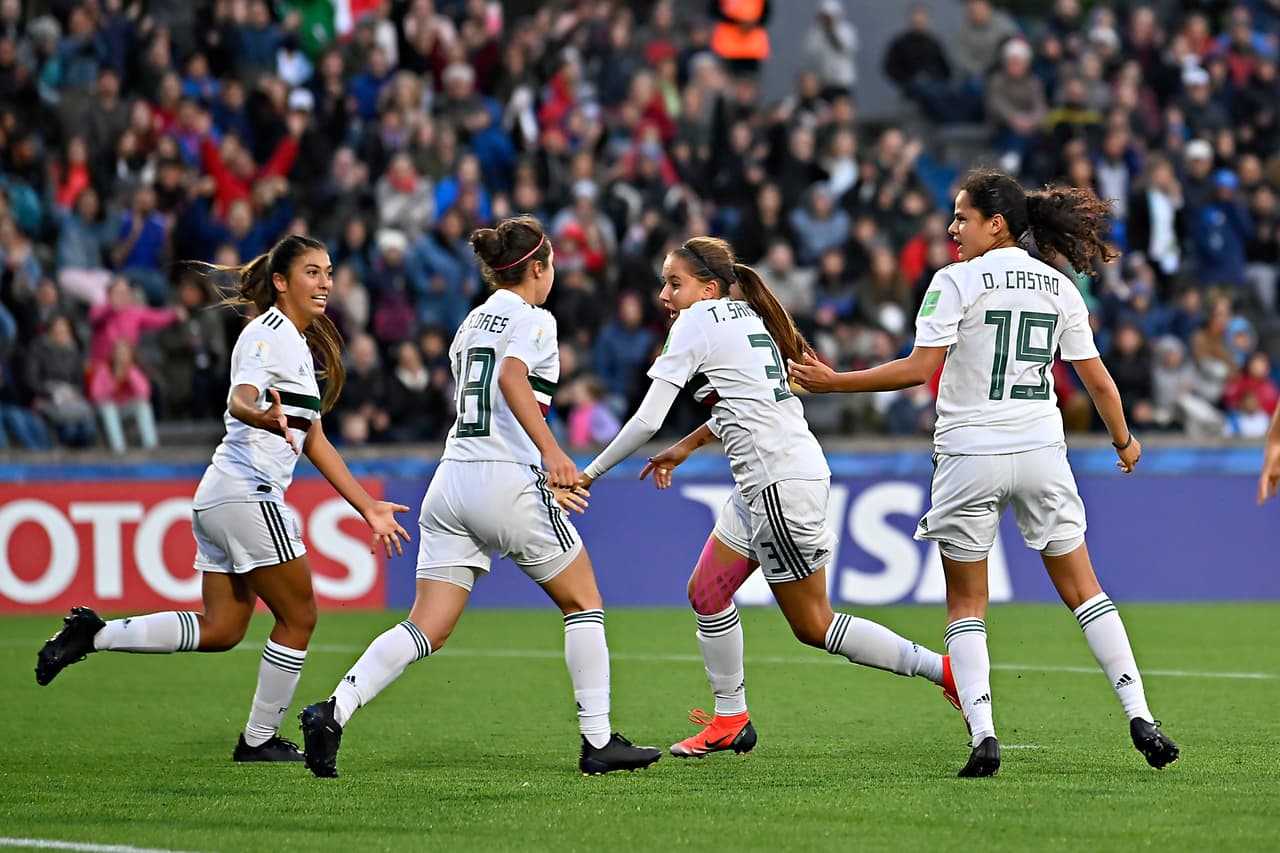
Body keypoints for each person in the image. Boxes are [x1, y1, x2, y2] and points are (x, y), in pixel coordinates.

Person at [789, 170, 1181, 777]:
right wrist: (1124, 442)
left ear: (995, 223)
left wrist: (835, 381)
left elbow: (920, 370)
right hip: (1041, 452)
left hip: (971, 454)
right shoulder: (1059, 285)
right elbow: (1097, 380)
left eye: (961, 217)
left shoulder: (953, 281)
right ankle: (1140, 713)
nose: (951, 228)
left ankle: (984, 736)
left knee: (967, 602)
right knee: (1085, 591)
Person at [297, 216, 661, 779]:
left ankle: (333, 711)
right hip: (505, 479)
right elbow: (513, 379)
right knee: (583, 602)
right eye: (552, 263)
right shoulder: (536, 318)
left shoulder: (471, 322)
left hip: (451, 482)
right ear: (537, 267)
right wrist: (551, 456)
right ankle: (598, 741)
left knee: (426, 627)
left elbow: (482, 392)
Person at [577, 236, 959, 760]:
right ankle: (730, 718)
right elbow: (742, 406)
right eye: (663, 283)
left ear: (708, 289)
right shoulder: (744, 317)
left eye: (675, 284)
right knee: (707, 592)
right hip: (768, 482)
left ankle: (946, 672)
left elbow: (647, 417)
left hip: (778, 485)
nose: (664, 295)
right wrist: (685, 448)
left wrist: (589, 472)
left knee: (813, 624)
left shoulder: (696, 322)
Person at [35, 234, 412, 763]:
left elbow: (316, 441)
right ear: (280, 282)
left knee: (222, 628)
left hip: (221, 496)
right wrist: (254, 413)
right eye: (311, 272)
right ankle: (258, 739)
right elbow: (242, 395)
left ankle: (93, 635)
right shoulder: (269, 332)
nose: (325, 282)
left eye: (328, 272)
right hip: (247, 493)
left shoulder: (296, 344)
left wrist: (367, 507)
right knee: (299, 616)